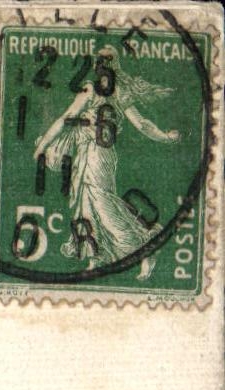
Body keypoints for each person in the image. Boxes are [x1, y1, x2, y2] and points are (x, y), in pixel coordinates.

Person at [32, 46, 180, 280]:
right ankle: (96, 256)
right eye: (101, 60)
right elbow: (65, 119)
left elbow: (141, 124)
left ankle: (144, 250)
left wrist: (164, 136)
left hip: (101, 157)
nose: (103, 65)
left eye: (108, 60)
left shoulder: (120, 93)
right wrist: (42, 146)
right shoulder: (89, 90)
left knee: (103, 206)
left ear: (115, 65)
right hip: (83, 154)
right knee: (85, 206)